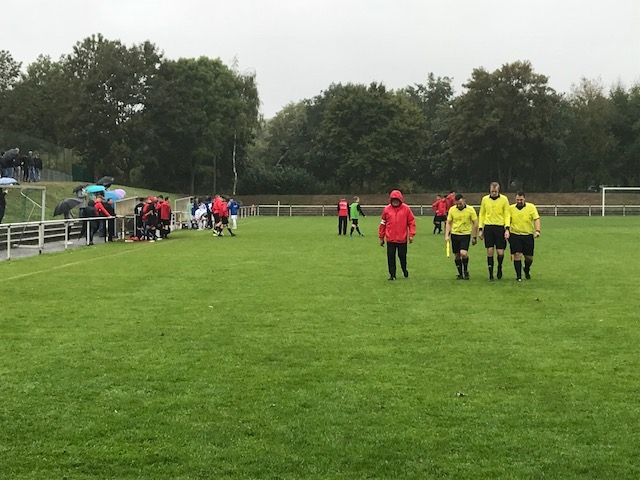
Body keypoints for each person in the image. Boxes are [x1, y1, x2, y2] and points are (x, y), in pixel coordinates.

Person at [378, 190, 416, 280]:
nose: (395, 201)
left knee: (402, 256)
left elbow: (411, 222)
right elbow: (383, 223)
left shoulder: (406, 209)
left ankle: (404, 269)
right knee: (390, 257)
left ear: (400, 199)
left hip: (402, 239)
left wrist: (411, 234)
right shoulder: (386, 209)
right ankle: (392, 275)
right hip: (390, 238)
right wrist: (381, 237)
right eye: (393, 199)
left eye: (397, 199)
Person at [478, 181, 511, 281]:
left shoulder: (504, 199)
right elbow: (482, 214)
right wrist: (480, 228)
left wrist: (507, 228)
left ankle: (499, 267)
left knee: (500, 252)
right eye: (492, 191)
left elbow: (507, 214)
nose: (493, 193)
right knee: (490, 250)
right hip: (488, 227)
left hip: (499, 227)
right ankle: (491, 274)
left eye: (495, 191)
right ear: (490, 190)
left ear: (498, 190)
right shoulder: (485, 199)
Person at [508, 191, 541, 281]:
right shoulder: (511, 208)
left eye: (521, 200)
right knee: (517, 254)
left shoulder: (531, 207)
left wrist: (537, 231)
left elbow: (536, 219)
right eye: (517, 200)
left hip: (528, 235)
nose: (519, 201)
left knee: (529, 258)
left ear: (524, 199)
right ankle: (518, 276)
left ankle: (526, 269)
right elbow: (508, 221)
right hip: (515, 235)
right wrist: (507, 230)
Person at [445, 193, 478, 280]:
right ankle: (460, 273)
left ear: (464, 200)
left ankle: (465, 271)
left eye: (460, 203)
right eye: (457, 204)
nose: (459, 205)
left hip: (465, 234)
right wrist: (447, 235)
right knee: (457, 255)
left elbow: (475, 223)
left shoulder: (470, 210)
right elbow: (448, 222)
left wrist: (474, 237)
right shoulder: (452, 210)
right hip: (455, 234)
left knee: (463, 253)